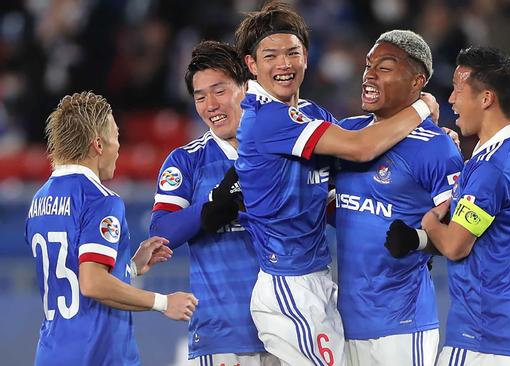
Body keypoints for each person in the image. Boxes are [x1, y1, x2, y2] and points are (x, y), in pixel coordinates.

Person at [230, 2, 438, 364]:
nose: (284, 64)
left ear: (306, 57)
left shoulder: (309, 114)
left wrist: (432, 137)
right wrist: (421, 109)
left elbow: (363, 151)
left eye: (292, 53)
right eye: (271, 55)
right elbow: (361, 147)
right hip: (288, 285)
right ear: (251, 65)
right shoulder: (266, 120)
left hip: (319, 279)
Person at [384, 46, 510, 365]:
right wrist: (419, 241)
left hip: (480, 334)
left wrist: (429, 223)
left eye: (457, 90)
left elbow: (456, 246)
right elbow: (484, 235)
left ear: (486, 99)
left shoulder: (493, 167)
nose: (451, 100)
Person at [25, 91, 198, 366]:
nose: (119, 146)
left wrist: (127, 268)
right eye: (116, 136)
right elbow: (92, 283)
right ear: (97, 144)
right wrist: (164, 303)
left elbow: (70, 272)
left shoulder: (40, 200)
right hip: (98, 354)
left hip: (51, 353)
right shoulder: (100, 199)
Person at [334, 30, 464, 366]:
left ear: (417, 81)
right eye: (368, 66)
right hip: (343, 324)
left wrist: (417, 239)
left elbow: (461, 235)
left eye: (385, 67)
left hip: (402, 326)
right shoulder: (346, 133)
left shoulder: (436, 148)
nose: (370, 75)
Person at [148, 41, 279, 366]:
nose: (210, 105)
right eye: (200, 96)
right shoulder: (186, 161)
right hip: (222, 335)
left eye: (219, 91)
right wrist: (212, 206)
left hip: (291, 331)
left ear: (245, 87)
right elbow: (161, 232)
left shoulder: (283, 147)